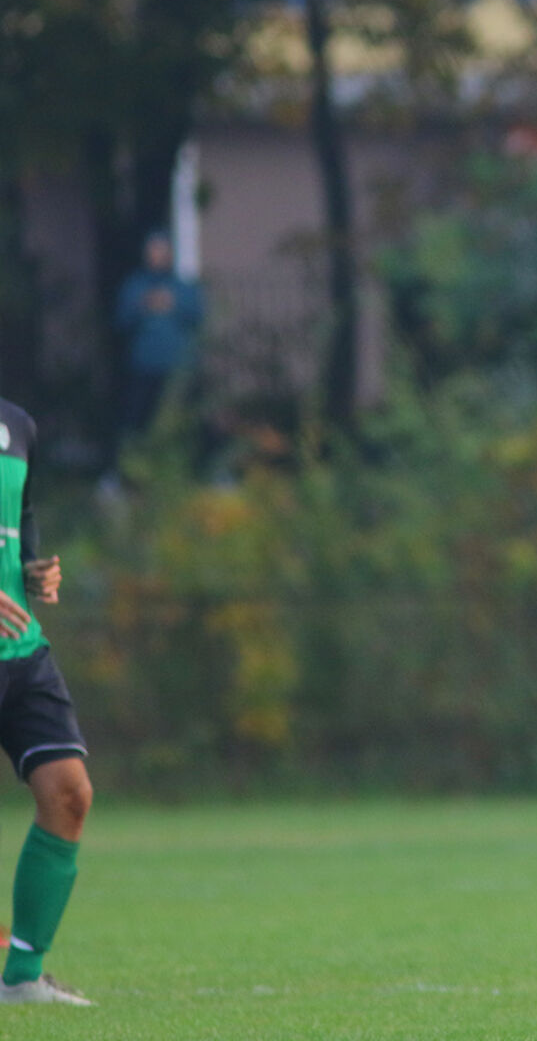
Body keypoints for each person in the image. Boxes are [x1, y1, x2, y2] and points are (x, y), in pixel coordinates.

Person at [0, 397, 95, 1006]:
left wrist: (33, 569)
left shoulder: (16, 424)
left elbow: (22, 514)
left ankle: (21, 979)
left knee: (69, 793)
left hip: (20, 650)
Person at [114, 231, 204, 438]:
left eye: (162, 252)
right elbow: (121, 320)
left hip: (178, 366)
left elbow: (198, 315)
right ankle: (126, 465)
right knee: (135, 418)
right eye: (153, 252)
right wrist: (143, 306)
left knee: (187, 417)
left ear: (170, 255)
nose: (157, 257)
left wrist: (174, 304)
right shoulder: (134, 286)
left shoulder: (183, 287)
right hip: (143, 364)